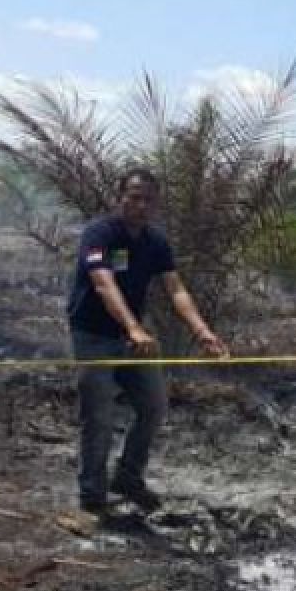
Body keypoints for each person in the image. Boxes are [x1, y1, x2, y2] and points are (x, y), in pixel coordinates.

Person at [67, 167, 228, 514]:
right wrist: (133, 328)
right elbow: (103, 284)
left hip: (132, 339)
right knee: (100, 415)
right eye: (134, 197)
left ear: (156, 205)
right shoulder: (100, 234)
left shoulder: (155, 242)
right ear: (120, 197)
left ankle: (128, 476)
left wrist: (202, 331)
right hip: (94, 336)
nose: (141, 205)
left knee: (154, 405)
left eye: (148, 200)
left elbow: (176, 289)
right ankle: (93, 494)